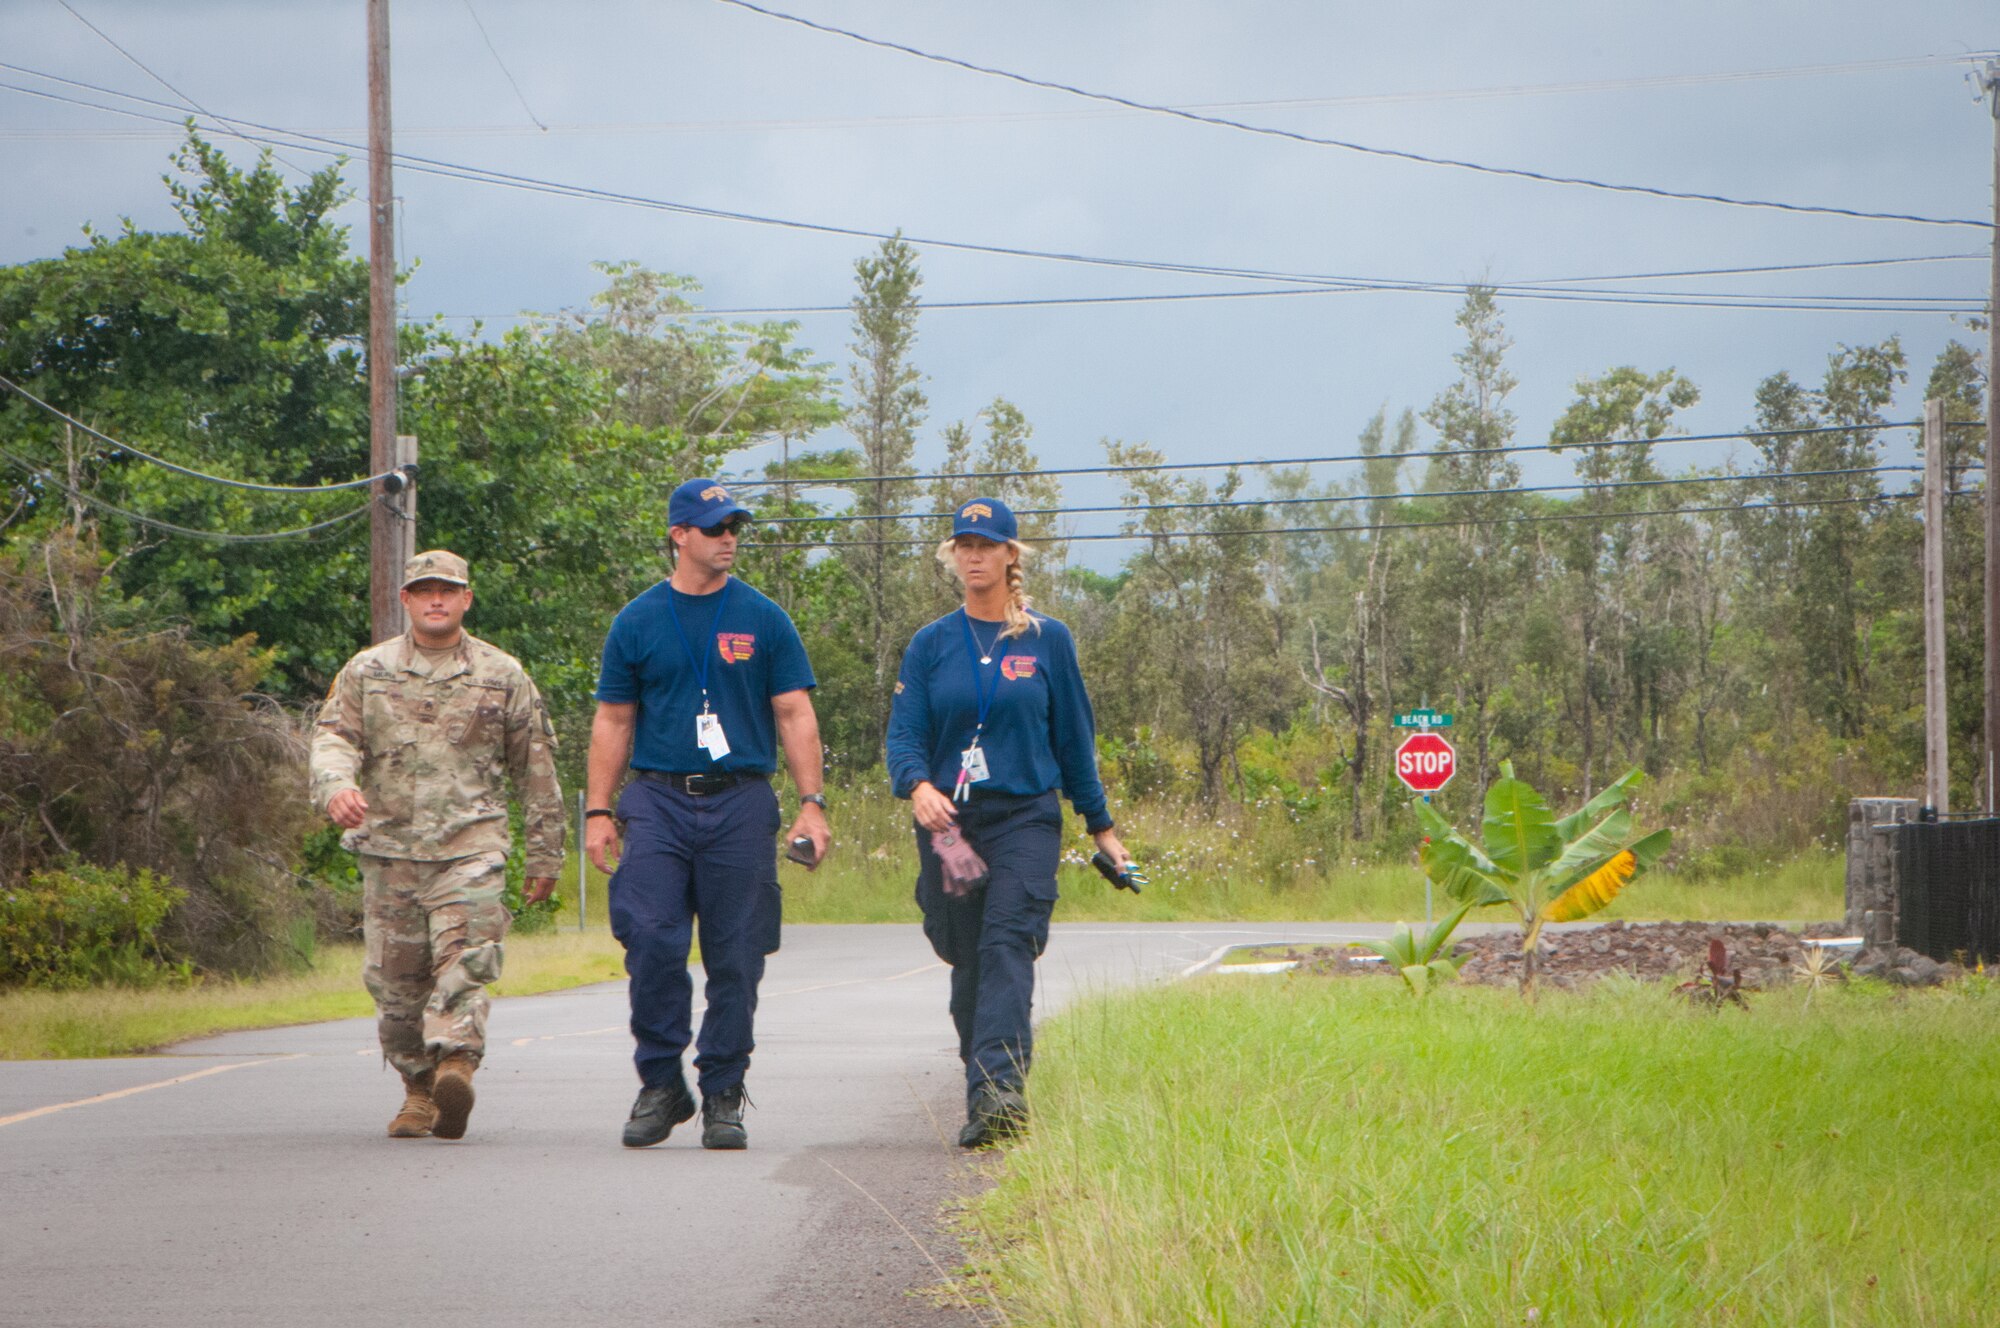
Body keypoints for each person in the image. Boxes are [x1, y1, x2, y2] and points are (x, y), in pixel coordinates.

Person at [586, 478, 830, 1151]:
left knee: (737, 954)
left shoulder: (763, 618)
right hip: (658, 797)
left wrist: (813, 805)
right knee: (653, 937)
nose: (728, 539)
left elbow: (794, 712)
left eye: (734, 529)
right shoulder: (637, 621)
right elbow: (612, 720)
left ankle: (724, 1089)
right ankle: (662, 1082)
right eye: (715, 527)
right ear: (678, 536)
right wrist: (598, 810)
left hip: (741, 800)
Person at [886, 497, 1133, 1148]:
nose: (973, 555)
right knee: (966, 957)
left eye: (985, 544)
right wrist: (917, 787)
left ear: (1009, 555)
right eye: (962, 545)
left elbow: (1075, 740)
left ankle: (1000, 1091)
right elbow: (904, 736)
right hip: (951, 829)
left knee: (1006, 944)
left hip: (1026, 816)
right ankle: (986, 1082)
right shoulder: (931, 644)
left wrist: (1102, 827)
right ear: (952, 556)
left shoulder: (1048, 639)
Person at [310, 550, 565, 1141]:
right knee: (396, 994)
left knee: (465, 964)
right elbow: (333, 738)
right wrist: (336, 788)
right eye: (424, 590)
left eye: (448, 590)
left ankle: (456, 1064)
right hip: (391, 852)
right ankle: (419, 1091)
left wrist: (547, 853)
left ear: (466, 599)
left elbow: (537, 770)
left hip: (470, 849)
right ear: (405, 599)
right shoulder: (367, 671)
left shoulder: (502, 675)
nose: (436, 600)